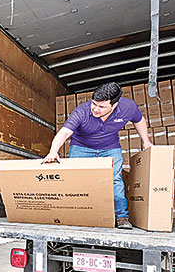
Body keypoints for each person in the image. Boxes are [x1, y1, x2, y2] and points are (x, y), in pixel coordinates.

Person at [43, 82, 153, 229]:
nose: (95, 109)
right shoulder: (82, 111)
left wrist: (146, 141)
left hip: (110, 147)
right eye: (94, 103)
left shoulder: (128, 107)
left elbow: (138, 119)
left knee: (115, 179)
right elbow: (64, 132)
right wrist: (53, 151)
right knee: (77, 180)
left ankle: (121, 216)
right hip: (81, 147)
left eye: (101, 107)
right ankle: (78, 215)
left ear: (114, 105)